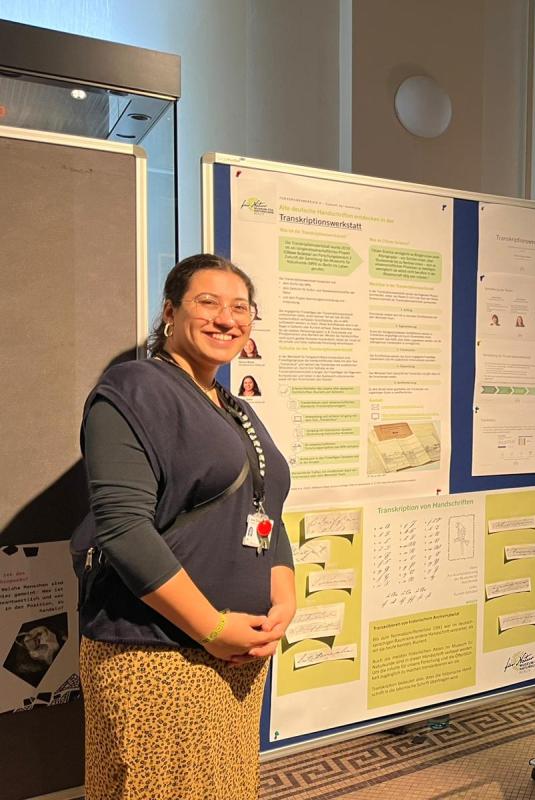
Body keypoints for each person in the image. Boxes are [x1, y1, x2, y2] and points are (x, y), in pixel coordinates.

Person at [77, 253, 296, 800]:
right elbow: (123, 528)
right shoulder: (133, 388)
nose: (227, 318)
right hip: (160, 654)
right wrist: (213, 630)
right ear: (170, 312)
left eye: (240, 307)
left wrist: (284, 600)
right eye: (208, 302)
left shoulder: (232, 405)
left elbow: (263, 505)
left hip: (238, 651)